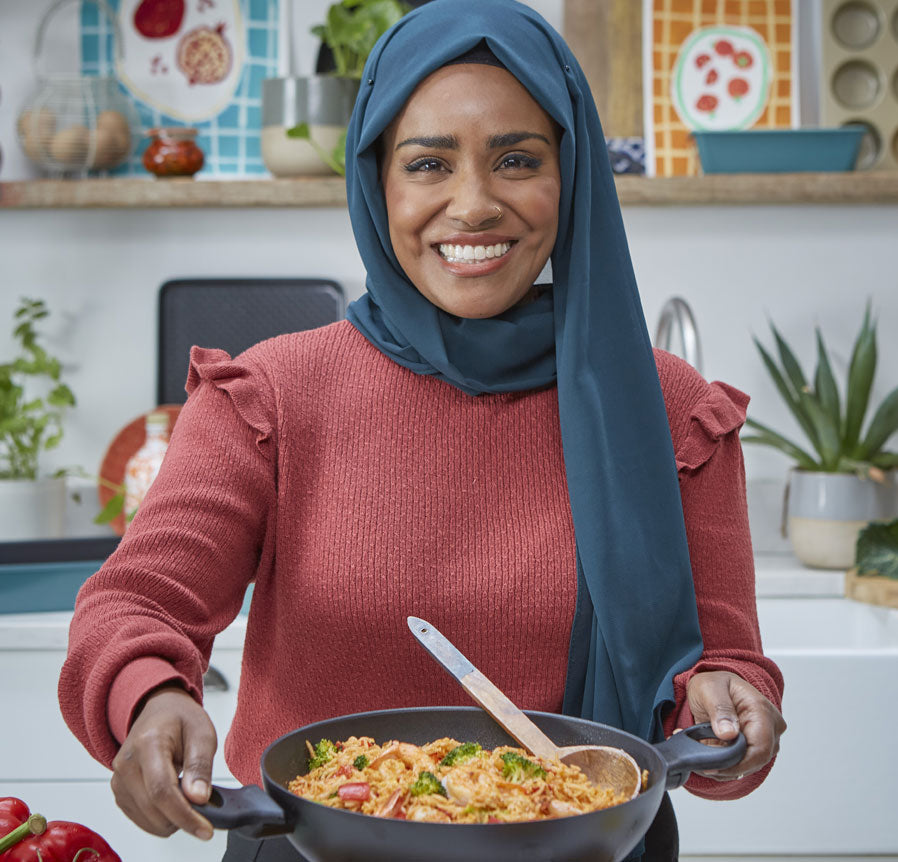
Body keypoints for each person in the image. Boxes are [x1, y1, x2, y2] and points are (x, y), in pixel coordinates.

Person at [58, 2, 786, 860]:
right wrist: (149, 699)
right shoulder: (271, 398)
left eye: (517, 159)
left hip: (589, 846)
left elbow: (722, 683)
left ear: (574, 174)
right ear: (377, 181)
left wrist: (732, 705)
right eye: (428, 163)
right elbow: (135, 604)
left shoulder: (674, 413)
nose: (472, 205)